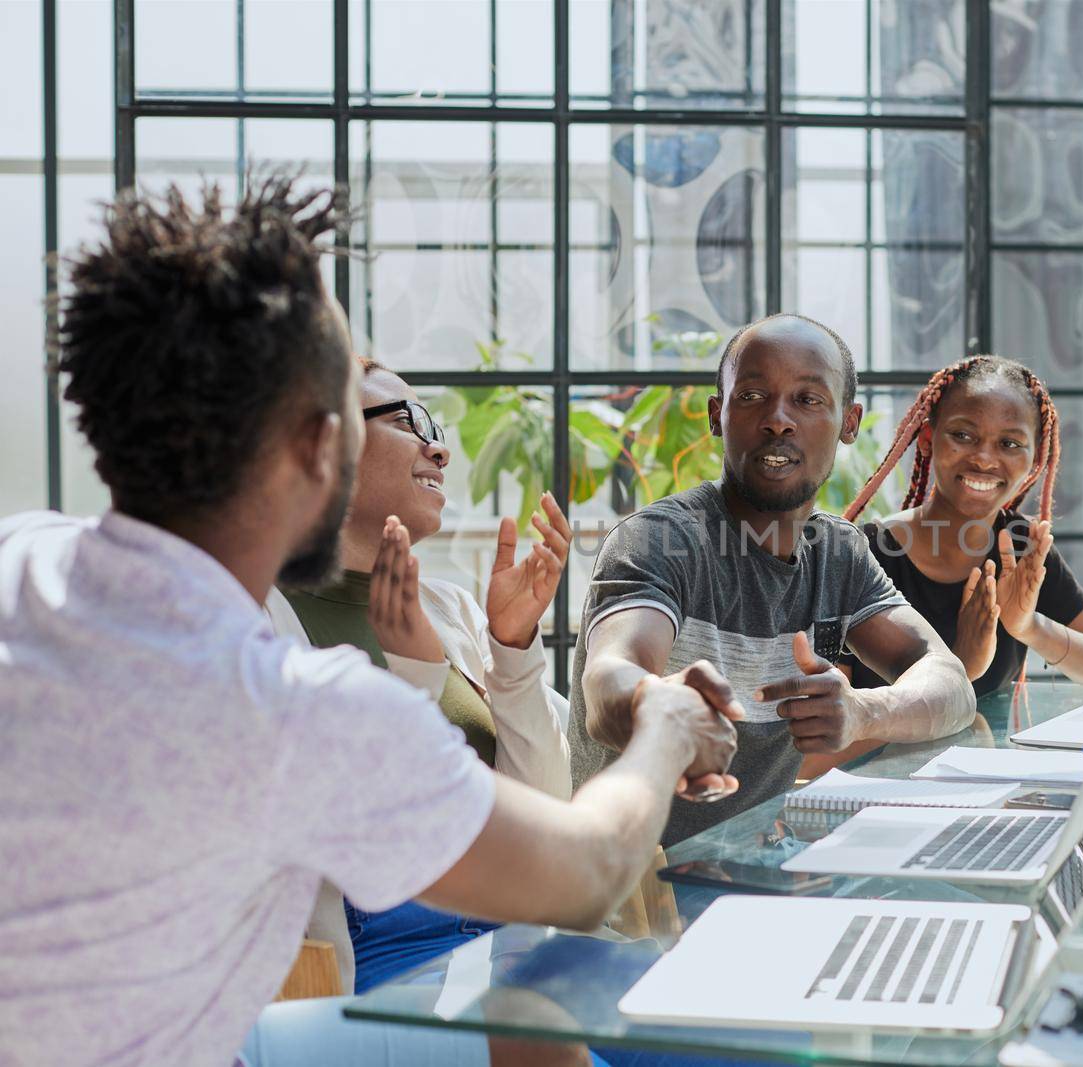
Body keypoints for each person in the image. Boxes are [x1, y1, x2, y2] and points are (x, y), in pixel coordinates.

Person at [0, 177, 739, 1067]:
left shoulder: (20, 555)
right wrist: (662, 730)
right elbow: (585, 874)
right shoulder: (291, 707)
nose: (434, 445)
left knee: (534, 1031)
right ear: (321, 446)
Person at [566, 313, 977, 847]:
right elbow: (607, 680)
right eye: (753, 396)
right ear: (718, 416)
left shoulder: (838, 554)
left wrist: (863, 711)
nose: (778, 420)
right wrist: (658, 705)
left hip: (752, 875)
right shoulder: (658, 540)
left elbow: (949, 682)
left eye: (807, 400)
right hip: (634, 895)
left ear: (849, 423)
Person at [264, 358, 575, 996]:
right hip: (382, 961)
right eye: (410, 421)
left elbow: (548, 814)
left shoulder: (451, 608)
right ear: (324, 443)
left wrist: (513, 650)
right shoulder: (257, 620)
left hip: (509, 937)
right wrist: (421, 682)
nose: (440, 446)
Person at [838, 355, 1083, 703]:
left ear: (1035, 458)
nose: (984, 458)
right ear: (928, 438)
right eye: (963, 435)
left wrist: (1030, 627)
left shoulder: (1022, 550)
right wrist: (961, 666)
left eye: (1009, 444)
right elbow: (830, 723)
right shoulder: (864, 555)